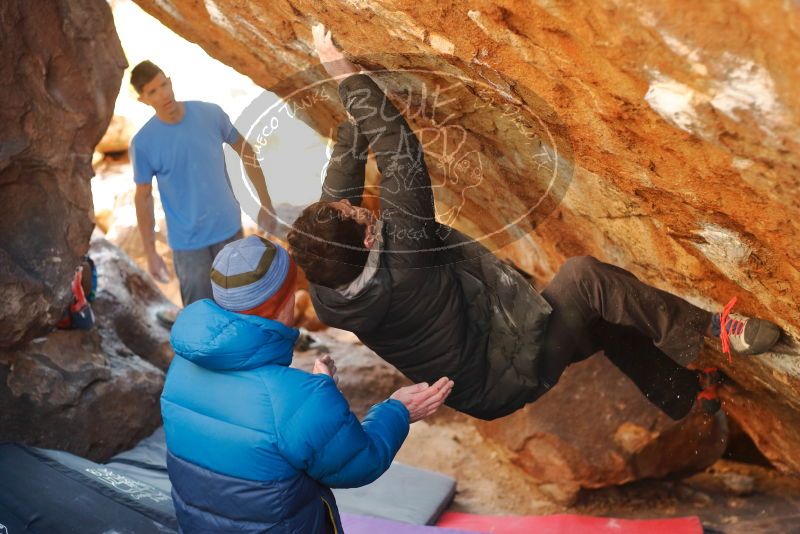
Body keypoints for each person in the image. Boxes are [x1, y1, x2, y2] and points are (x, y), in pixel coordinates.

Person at [287, 24, 782, 422]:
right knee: (585, 281)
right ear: (371, 238)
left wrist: (352, 105)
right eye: (358, 215)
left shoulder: (333, 281)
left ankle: (687, 400)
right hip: (508, 372)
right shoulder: (407, 261)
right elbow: (401, 156)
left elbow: (339, 193)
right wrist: (341, 71)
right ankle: (713, 329)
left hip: (482, 368)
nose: (358, 205)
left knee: (599, 312)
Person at [161, 235, 454, 532]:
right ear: (285, 301)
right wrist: (399, 411)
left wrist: (314, 397)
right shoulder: (298, 399)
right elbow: (360, 461)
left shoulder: (181, 367)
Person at [129, 61, 278, 322]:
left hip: (229, 232)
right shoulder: (143, 143)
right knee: (202, 320)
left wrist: (265, 205)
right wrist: (150, 252)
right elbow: (143, 198)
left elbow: (247, 151)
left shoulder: (210, 114)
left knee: (242, 311)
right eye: (153, 91)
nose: (163, 94)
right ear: (143, 99)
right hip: (188, 246)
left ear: (170, 80)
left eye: (164, 84)